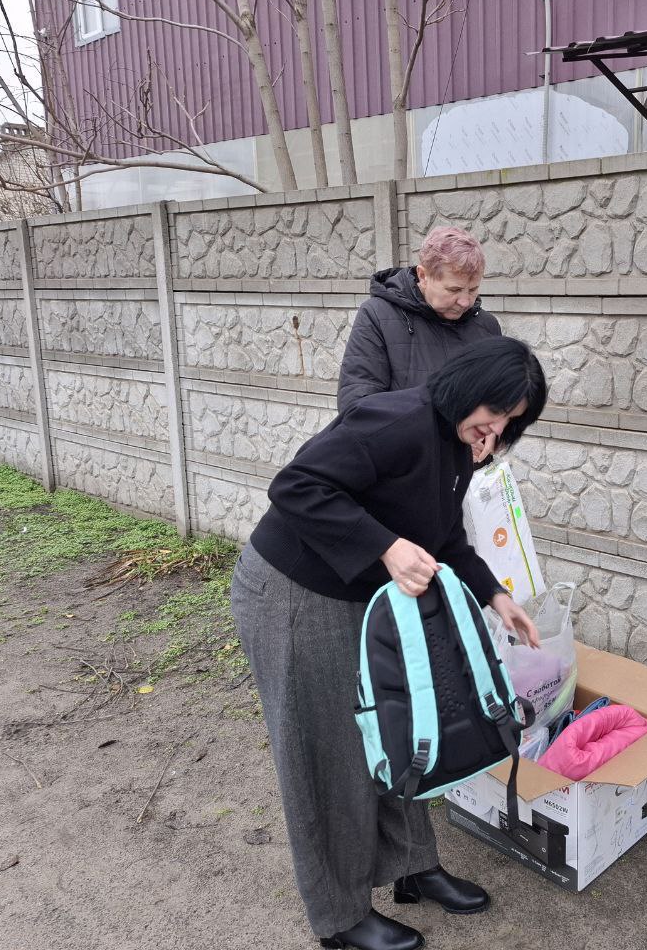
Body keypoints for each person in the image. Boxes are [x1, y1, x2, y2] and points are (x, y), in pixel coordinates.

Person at [231, 337, 547, 950]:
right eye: (497, 409)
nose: (498, 427)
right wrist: (385, 545)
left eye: (513, 420)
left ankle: (410, 867)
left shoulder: (460, 441)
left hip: (362, 598)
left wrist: (495, 595)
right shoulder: (396, 420)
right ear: (468, 386)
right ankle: (340, 917)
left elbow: (442, 532)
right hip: (293, 594)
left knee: (401, 725)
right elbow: (295, 486)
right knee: (326, 750)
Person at [339, 226, 500, 462]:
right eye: (454, 289)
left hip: (470, 478)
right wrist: (451, 434)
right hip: (404, 476)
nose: (466, 301)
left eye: (473, 289)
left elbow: (499, 398)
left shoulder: (486, 326)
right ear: (423, 276)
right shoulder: (377, 316)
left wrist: (493, 430)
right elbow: (358, 408)